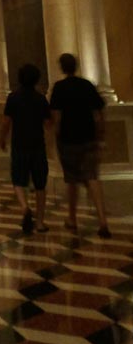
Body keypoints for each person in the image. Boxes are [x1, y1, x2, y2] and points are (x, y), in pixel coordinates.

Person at [50, 52, 111, 237]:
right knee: (92, 177)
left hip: (68, 140)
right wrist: (100, 136)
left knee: (72, 180)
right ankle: (102, 220)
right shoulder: (87, 85)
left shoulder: (59, 88)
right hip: (89, 137)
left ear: (62, 67)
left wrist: (55, 137)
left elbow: (57, 116)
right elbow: (99, 114)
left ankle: (72, 218)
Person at [0, 63, 51, 234]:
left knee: (19, 180)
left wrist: (2, 139)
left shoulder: (13, 98)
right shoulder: (41, 99)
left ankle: (24, 207)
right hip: (37, 145)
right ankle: (40, 222)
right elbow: (48, 124)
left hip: (20, 144)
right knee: (40, 185)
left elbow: (7, 122)